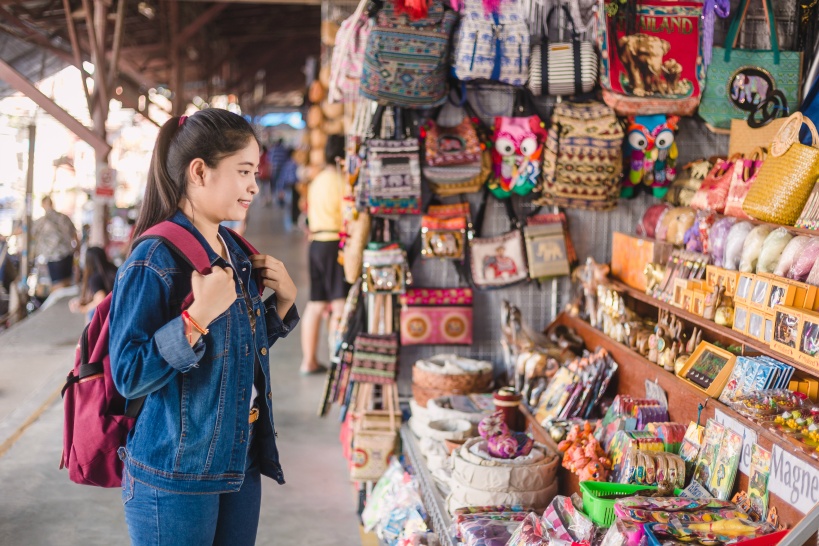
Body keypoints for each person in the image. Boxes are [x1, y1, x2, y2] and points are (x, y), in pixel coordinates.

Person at [108, 109, 298, 546]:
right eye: (243, 171)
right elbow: (130, 375)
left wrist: (282, 306)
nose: (255, 184)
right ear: (199, 172)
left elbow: (231, 353)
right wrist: (195, 320)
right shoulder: (153, 259)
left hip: (238, 459)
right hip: (175, 473)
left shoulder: (232, 247)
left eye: (255, 171)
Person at [300, 135, 348, 375]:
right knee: (340, 303)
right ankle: (338, 361)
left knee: (316, 304)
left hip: (315, 243)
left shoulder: (317, 180)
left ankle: (308, 360)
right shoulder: (341, 181)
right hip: (333, 243)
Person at [31, 195, 79, 290]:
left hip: (53, 257)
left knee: (57, 285)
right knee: (67, 282)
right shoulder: (64, 217)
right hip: (68, 254)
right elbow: (75, 235)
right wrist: (78, 249)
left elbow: (29, 233)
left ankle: (60, 303)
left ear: (43, 205)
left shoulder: (41, 221)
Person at [69, 246, 117, 322]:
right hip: (119, 306)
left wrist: (84, 309)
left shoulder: (95, 278)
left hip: (110, 312)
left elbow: (100, 299)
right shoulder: (113, 269)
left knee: (91, 313)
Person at [268, 138, 289, 207]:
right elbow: (286, 159)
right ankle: (280, 200)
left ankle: (271, 199)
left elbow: (270, 159)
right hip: (282, 169)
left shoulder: (273, 149)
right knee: (281, 184)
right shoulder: (283, 150)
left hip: (274, 169)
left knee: (273, 185)